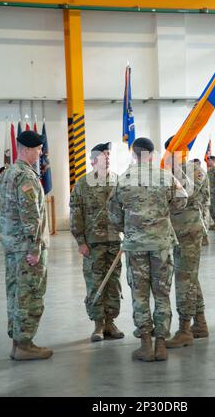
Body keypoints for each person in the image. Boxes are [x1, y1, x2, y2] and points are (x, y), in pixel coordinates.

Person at [108, 137, 188, 362]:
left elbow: (113, 214)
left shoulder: (124, 179)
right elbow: (182, 201)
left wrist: (130, 228)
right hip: (161, 244)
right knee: (162, 293)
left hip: (135, 246)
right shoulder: (165, 176)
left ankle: (145, 344)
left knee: (140, 293)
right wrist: (163, 213)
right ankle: (161, 345)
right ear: (151, 155)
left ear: (134, 154)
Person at [0, 130, 52, 360]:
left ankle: (17, 342)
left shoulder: (9, 173)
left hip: (12, 245)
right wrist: (35, 248)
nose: (41, 153)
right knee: (29, 294)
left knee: (15, 294)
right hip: (25, 249)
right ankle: (25, 345)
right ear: (27, 149)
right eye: (39, 149)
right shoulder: (26, 176)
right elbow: (31, 216)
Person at [70, 142, 124, 342]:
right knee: (95, 283)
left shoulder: (117, 181)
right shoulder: (83, 184)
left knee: (113, 283)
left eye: (109, 155)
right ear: (93, 160)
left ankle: (111, 322)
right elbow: (76, 215)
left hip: (114, 243)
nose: (107, 158)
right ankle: (98, 325)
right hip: (93, 244)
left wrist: (125, 235)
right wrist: (80, 242)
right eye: (103, 155)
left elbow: (124, 210)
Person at [163, 141, 209, 350]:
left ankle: (185, 330)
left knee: (185, 279)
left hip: (189, 231)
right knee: (190, 277)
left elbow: (186, 192)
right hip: (177, 231)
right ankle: (200, 324)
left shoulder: (194, 169)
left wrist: (175, 169)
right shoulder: (169, 170)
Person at [193, 158, 210, 246]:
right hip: (199, 199)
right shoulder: (195, 172)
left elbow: (197, 187)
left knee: (202, 219)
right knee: (200, 219)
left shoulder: (200, 172)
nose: (194, 166)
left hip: (202, 200)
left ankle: (205, 237)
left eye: (195, 164)